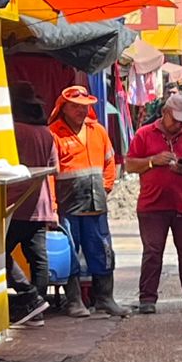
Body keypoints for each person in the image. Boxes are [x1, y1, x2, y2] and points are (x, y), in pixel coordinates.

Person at [48, 84, 129, 318]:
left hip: (96, 206)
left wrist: (106, 187)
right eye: (75, 107)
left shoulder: (98, 131)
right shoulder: (54, 133)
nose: (81, 111)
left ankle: (105, 299)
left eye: (84, 107)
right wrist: (53, 207)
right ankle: (74, 301)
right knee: (70, 253)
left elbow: (110, 161)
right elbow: (50, 176)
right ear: (64, 108)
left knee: (102, 251)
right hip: (68, 207)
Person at [124, 92, 182, 313]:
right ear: (164, 112)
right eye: (175, 119)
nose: (179, 125)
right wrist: (153, 161)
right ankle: (147, 298)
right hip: (153, 205)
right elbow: (130, 165)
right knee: (152, 251)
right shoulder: (144, 134)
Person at [5, 85, 57, 325]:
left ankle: (29, 297)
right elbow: (54, 167)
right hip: (40, 202)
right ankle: (38, 310)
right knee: (38, 258)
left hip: (14, 204)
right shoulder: (46, 133)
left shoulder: (12, 131)